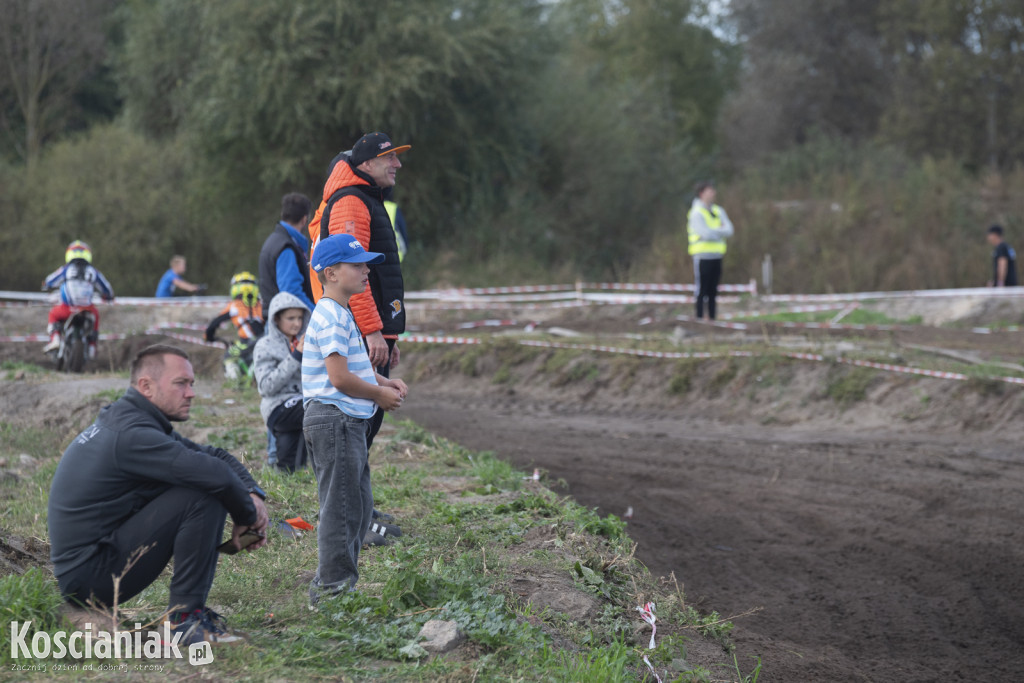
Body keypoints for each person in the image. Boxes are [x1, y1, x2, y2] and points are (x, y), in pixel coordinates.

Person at [47, 345, 269, 645]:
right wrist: (248, 516)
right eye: (181, 383)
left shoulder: (133, 420)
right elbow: (216, 476)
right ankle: (183, 622)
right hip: (91, 577)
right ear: (146, 386)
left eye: (192, 384)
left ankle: (185, 618)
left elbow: (213, 456)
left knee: (203, 479)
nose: (190, 393)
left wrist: (253, 494)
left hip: (91, 566)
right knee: (203, 494)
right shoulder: (133, 435)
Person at [308, 133, 410, 537]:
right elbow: (354, 273)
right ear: (365, 163)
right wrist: (372, 331)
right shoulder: (351, 200)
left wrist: (388, 332)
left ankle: (360, 512)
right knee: (354, 432)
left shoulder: (364, 196)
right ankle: (354, 521)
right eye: (389, 157)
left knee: (363, 430)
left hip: (368, 329)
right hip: (359, 330)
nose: (397, 165)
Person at [302, 235, 408, 602]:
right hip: (335, 420)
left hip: (344, 421)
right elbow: (339, 378)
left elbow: (354, 367)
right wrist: (379, 395)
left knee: (358, 504)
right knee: (342, 508)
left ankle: (339, 581)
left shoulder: (340, 311)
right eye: (358, 265)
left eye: (367, 263)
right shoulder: (331, 315)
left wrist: (382, 380)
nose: (367, 270)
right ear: (330, 273)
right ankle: (331, 591)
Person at [253, 291, 310, 472]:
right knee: (317, 407)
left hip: (300, 404)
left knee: (289, 468)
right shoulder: (265, 345)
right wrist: (296, 356)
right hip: (277, 407)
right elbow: (266, 387)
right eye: (290, 318)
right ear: (276, 319)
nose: (297, 323)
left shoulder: (305, 340)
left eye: (300, 318)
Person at [41, 240, 114, 358]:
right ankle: (92, 345)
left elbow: (50, 281)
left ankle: (55, 339)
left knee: (53, 314)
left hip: (67, 308)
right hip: (87, 309)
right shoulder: (93, 272)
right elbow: (107, 289)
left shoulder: (66, 269)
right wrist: (108, 296)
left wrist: (46, 285)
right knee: (95, 316)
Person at [259, 193, 316, 311]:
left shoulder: (273, 240)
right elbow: (292, 293)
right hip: (286, 323)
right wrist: (316, 315)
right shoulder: (286, 247)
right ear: (304, 220)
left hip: (277, 319)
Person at [687, 181, 734, 320]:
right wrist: (719, 231)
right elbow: (705, 234)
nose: (713, 193)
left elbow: (729, 230)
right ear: (702, 193)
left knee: (713, 290)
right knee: (701, 290)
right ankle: (699, 318)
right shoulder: (696, 213)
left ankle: (712, 319)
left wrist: (713, 232)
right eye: (710, 190)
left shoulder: (718, 211)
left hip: (717, 255)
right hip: (702, 256)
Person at [205, 271, 265, 379]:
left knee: (228, 356)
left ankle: (235, 382)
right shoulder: (261, 304)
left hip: (247, 343)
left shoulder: (234, 306)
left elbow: (214, 324)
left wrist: (208, 336)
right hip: (264, 340)